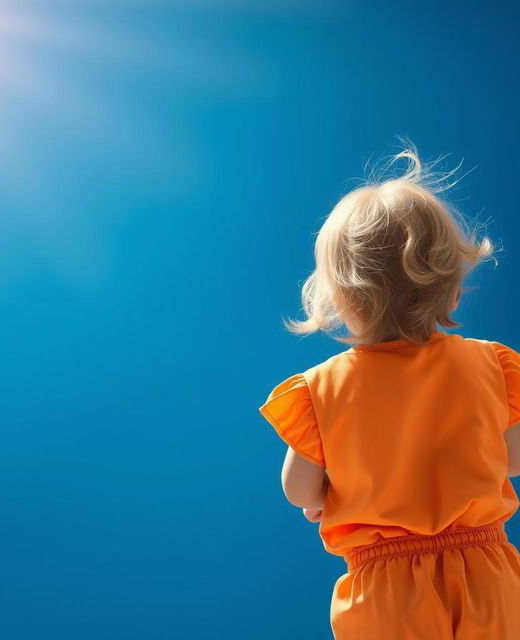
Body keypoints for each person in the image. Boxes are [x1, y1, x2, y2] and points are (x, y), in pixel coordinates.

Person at [258, 142, 520, 639]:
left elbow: (298, 490)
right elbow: (513, 460)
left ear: (340, 299)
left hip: (387, 594)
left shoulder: (322, 390)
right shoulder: (492, 364)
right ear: (454, 286)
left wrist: (325, 495)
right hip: (488, 576)